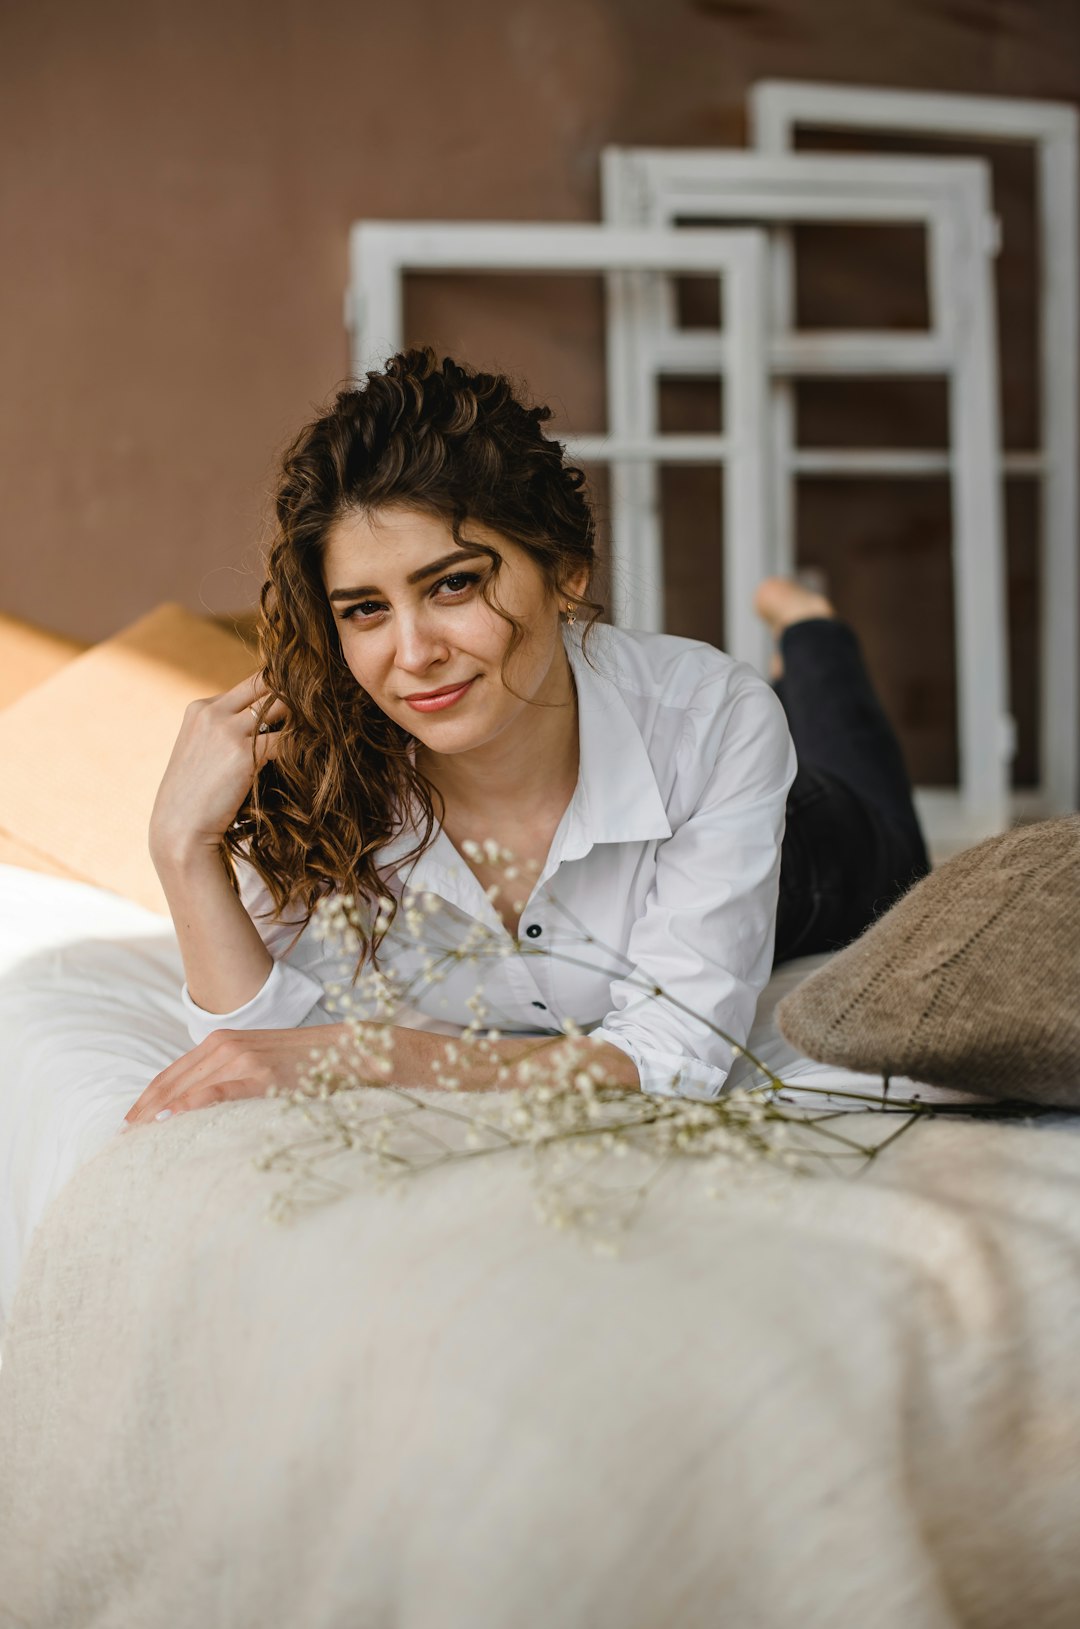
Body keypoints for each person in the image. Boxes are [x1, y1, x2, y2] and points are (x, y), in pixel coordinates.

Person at [122, 349, 929, 1127]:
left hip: (808, 866)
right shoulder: (314, 774)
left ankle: (814, 633)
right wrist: (180, 846)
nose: (413, 655)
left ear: (567, 570)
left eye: (454, 584)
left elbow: (676, 1058)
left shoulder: (710, 723)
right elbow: (269, 1054)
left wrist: (390, 1056)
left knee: (888, 835)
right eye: (365, 608)